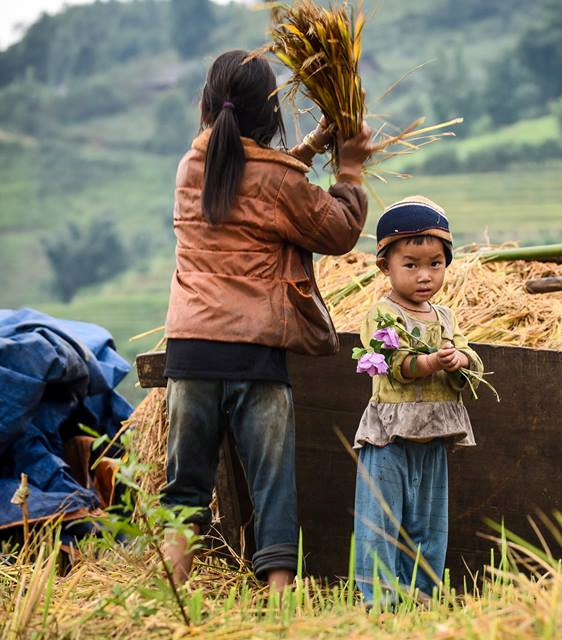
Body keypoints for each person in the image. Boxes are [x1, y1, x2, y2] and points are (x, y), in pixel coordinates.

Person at [160, 49, 373, 592]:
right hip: (255, 355)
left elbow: (252, 179)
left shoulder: (190, 168)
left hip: (190, 353)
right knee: (273, 486)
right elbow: (336, 230)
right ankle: (279, 610)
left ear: (209, 105)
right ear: (271, 114)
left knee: (184, 493)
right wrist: (348, 168)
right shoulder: (278, 183)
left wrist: (310, 148)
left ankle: (173, 600)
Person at [351, 196, 482, 605]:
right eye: (410, 264)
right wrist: (427, 362)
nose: (424, 275)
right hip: (390, 437)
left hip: (434, 436)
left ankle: (421, 597)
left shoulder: (445, 318)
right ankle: (380, 602)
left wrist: (459, 360)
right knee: (381, 521)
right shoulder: (382, 314)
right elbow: (391, 364)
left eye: (435, 264)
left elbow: (471, 362)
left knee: (429, 524)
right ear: (385, 266)